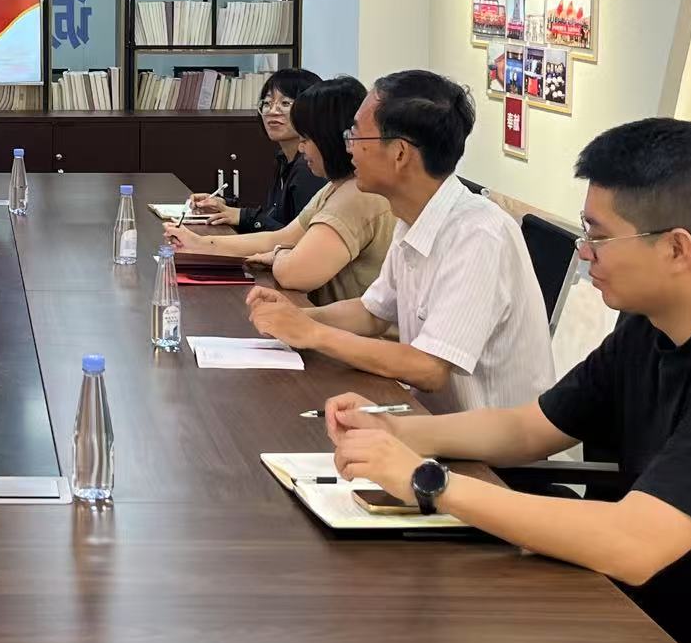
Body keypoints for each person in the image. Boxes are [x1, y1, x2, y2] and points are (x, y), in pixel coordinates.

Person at [323, 119, 691, 643]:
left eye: (599, 237)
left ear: (677, 248)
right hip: (636, 607)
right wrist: (396, 431)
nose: (583, 253)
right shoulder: (652, 324)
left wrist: (429, 482)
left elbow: (635, 544)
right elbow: (531, 427)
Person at [246, 69, 553, 411]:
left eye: (356, 135)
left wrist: (313, 333)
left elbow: (429, 368)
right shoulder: (411, 217)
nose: (348, 148)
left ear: (400, 153)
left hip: (488, 440)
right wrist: (297, 317)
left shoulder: (478, 234)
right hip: (429, 419)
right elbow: (372, 313)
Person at [164, 77, 393, 306]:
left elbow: (296, 274)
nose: (301, 147)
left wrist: (278, 255)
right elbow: (281, 237)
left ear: (328, 140)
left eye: (306, 139)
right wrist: (199, 243)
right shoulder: (335, 187)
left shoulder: (357, 196)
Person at [186, 67, 324, 232]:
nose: (272, 111)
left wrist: (242, 216)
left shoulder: (309, 167)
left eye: (285, 103)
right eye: (267, 103)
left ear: (310, 109)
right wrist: (224, 205)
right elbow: (273, 216)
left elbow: (298, 236)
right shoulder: (284, 158)